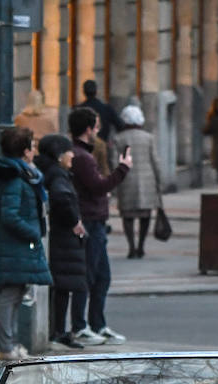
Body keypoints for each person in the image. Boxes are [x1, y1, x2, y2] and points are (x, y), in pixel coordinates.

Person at [0, 126, 52, 361]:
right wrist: (32, 232)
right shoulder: (15, 178)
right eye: (31, 146)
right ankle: (7, 346)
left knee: (17, 293)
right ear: (24, 150)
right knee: (10, 295)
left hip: (18, 244)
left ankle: (10, 344)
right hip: (16, 244)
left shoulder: (23, 174)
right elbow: (9, 214)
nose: (34, 151)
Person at [69, 106, 131, 346]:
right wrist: (123, 168)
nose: (98, 130)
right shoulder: (83, 157)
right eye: (95, 126)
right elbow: (98, 186)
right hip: (91, 221)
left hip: (95, 221)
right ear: (87, 129)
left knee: (101, 276)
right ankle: (81, 326)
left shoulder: (84, 154)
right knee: (89, 275)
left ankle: (97, 324)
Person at [34, 133, 88, 350]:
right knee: (64, 285)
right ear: (58, 155)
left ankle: (58, 330)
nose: (72, 155)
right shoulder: (58, 175)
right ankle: (59, 331)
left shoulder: (53, 172)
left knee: (62, 286)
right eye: (68, 151)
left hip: (59, 236)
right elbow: (61, 198)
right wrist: (75, 221)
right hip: (63, 238)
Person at [112, 103, 163, 259]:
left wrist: (114, 183)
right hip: (147, 181)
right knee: (145, 215)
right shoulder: (148, 138)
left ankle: (131, 247)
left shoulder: (118, 138)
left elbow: (115, 162)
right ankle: (141, 246)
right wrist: (159, 180)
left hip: (126, 180)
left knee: (127, 216)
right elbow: (155, 160)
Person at [78, 79, 119, 146]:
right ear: (96, 91)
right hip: (102, 144)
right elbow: (119, 125)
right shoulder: (106, 108)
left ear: (84, 92)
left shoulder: (79, 109)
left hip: (84, 146)